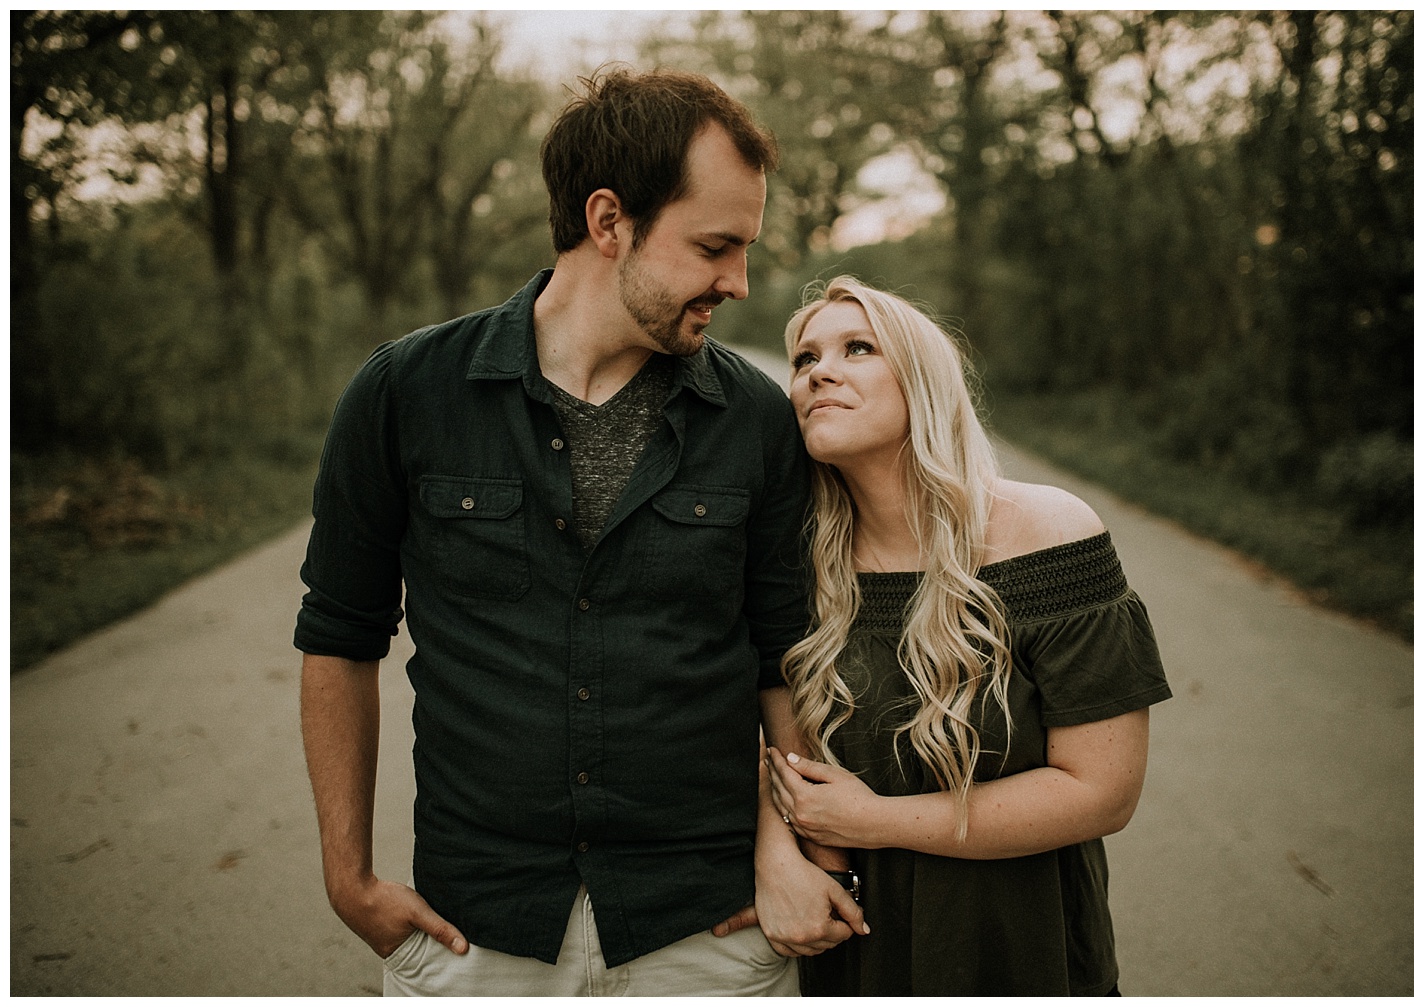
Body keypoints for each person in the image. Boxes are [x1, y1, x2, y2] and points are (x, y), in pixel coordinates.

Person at [295, 68, 861, 998]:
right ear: (609, 221)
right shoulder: (405, 394)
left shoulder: (757, 420)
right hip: (475, 926)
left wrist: (815, 858)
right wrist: (348, 877)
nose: (740, 282)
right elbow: (338, 637)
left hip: (706, 927)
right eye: (716, 246)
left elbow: (784, 663)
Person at [767, 276, 1172, 996]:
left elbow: (1103, 791)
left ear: (923, 380)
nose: (818, 371)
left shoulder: (1047, 535)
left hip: (1020, 947)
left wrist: (877, 819)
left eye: (857, 347)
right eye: (803, 359)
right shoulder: (798, 565)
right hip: (858, 949)